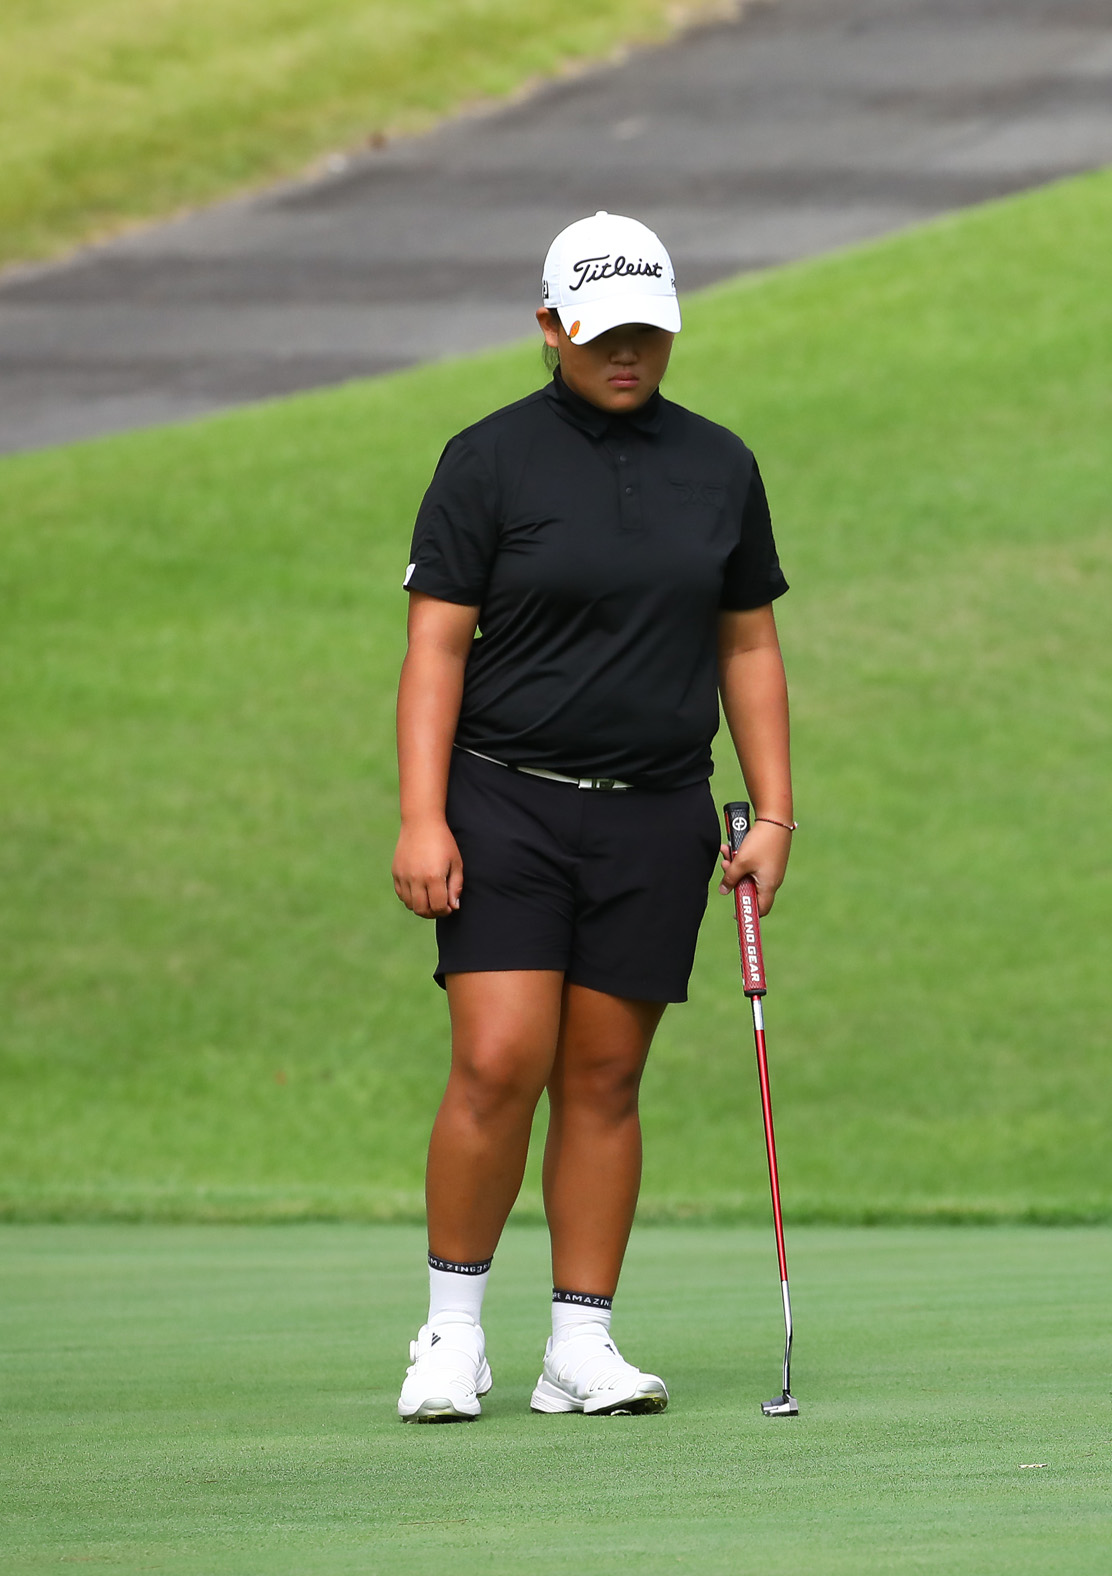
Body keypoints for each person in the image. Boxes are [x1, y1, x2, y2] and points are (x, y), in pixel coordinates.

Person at [389, 211, 795, 1422]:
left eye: (648, 332)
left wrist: (774, 813)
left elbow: (747, 643)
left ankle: (580, 1344)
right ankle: (452, 1334)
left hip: (655, 814)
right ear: (551, 325)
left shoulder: (719, 464)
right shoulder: (487, 460)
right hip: (503, 800)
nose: (627, 352)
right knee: (498, 1059)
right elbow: (434, 647)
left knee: (606, 1075)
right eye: (603, 330)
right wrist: (422, 815)